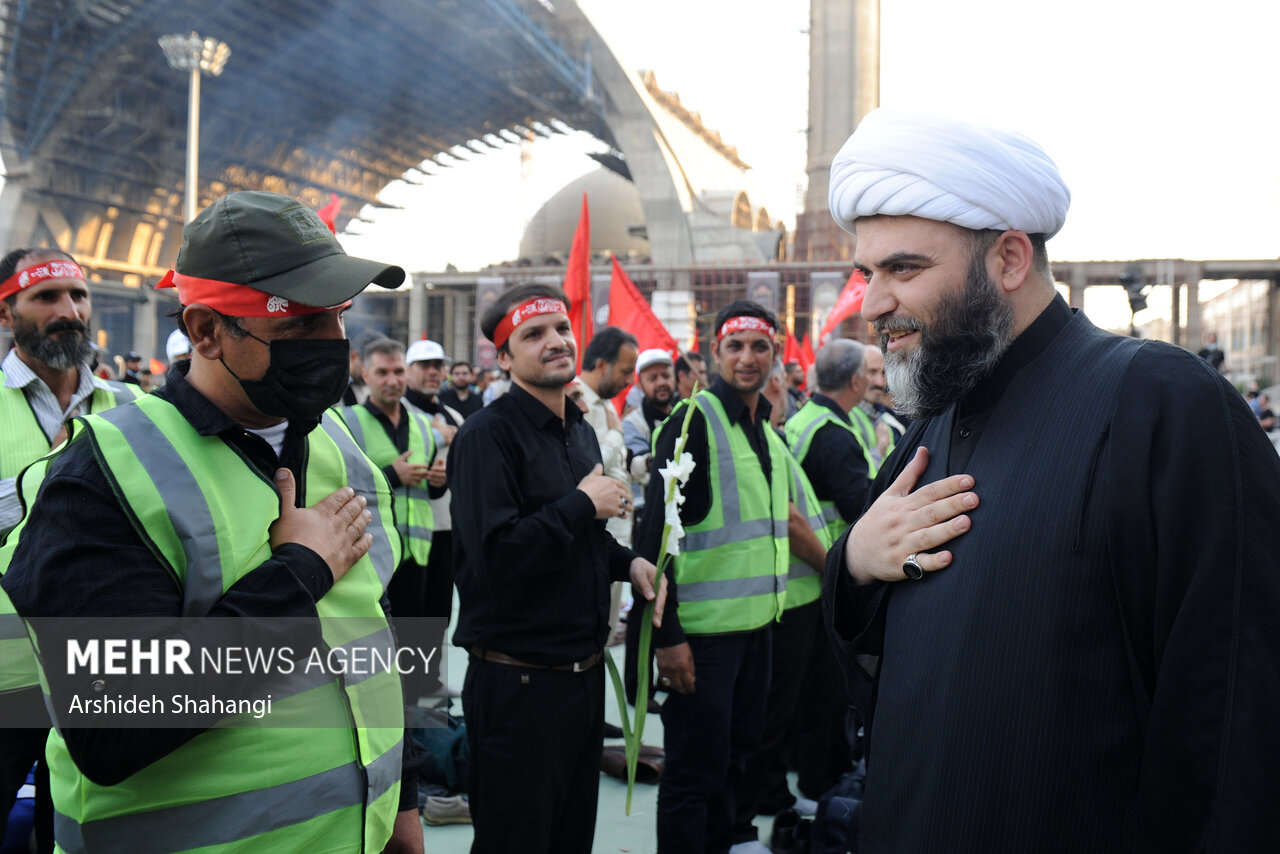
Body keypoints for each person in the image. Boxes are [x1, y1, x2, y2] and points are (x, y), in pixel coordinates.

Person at [823, 108, 1280, 852]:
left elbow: (1234, 728)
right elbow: (872, 664)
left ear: (1008, 259)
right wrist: (853, 565)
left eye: (904, 269)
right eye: (867, 273)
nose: (874, 304)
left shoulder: (1161, 402)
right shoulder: (934, 424)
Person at [0, 190, 424, 852]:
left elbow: (373, 635)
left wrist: (402, 802)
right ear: (205, 332)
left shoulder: (336, 443)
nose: (329, 345)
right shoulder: (102, 474)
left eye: (336, 319)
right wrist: (298, 574)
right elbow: (111, 725)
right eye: (297, 326)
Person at [449, 282, 663, 854]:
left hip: (583, 680)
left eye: (562, 328)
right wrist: (578, 505)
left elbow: (584, 544)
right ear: (504, 355)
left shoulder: (580, 431)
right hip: (518, 687)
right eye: (533, 334)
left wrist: (630, 562)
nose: (555, 342)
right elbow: (496, 557)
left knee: (570, 839)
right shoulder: (485, 437)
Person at [639, 300, 797, 854]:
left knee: (738, 757)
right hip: (702, 639)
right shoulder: (690, 424)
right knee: (693, 774)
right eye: (736, 346)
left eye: (759, 346)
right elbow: (652, 544)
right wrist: (668, 637)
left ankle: (729, 842)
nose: (748, 358)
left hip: (756, 631)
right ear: (714, 354)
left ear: (775, 353)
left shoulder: (767, 430)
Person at [0, 247, 139, 853]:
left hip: (93, 671)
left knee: (78, 834)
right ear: (8, 314)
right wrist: (55, 483)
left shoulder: (132, 409)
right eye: (47, 297)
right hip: (4, 675)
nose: (69, 311)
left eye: (78, 296)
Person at [732, 359, 831, 848]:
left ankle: (768, 795)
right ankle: (754, 807)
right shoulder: (759, 437)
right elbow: (791, 522)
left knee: (774, 711)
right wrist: (832, 569)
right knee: (769, 714)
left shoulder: (772, 435)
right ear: (775, 384)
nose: (792, 392)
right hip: (787, 595)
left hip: (788, 594)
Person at [336, 337, 445, 703]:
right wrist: (393, 475)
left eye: (398, 371)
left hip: (417, 551)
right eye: (382, 372)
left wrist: (438, 483)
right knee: (375, 647)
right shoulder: (345, 423)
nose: (392, 380)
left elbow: (428, 493)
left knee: (415, 643)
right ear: (363, 372)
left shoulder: (424, 425)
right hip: (370, 555)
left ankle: (412, 724)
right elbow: (339, 488)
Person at [403, 337, 464, 696]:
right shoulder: (400, 414)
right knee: (412, 609)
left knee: (439, 608)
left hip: (447, 527)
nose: (432, 372)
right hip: (411, 528)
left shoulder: (453, 415)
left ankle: (428, 679)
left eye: (437, 366)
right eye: (424, 366)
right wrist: (434, 433)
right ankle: (407, 685)